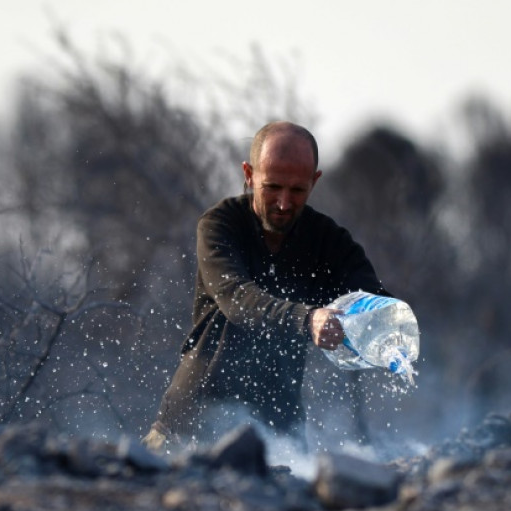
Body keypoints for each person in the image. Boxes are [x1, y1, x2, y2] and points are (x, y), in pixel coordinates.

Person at [142, 121, 389, 451]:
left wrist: (368, 324)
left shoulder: (328, 240)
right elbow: (237, 299)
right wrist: (308, 318)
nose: (284, 203)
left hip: (280, 431)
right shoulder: (220, 225)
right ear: (249, 174)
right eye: (272, 187)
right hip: (192, 423)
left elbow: (376, 302)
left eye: (298, 190)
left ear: (314, 182)